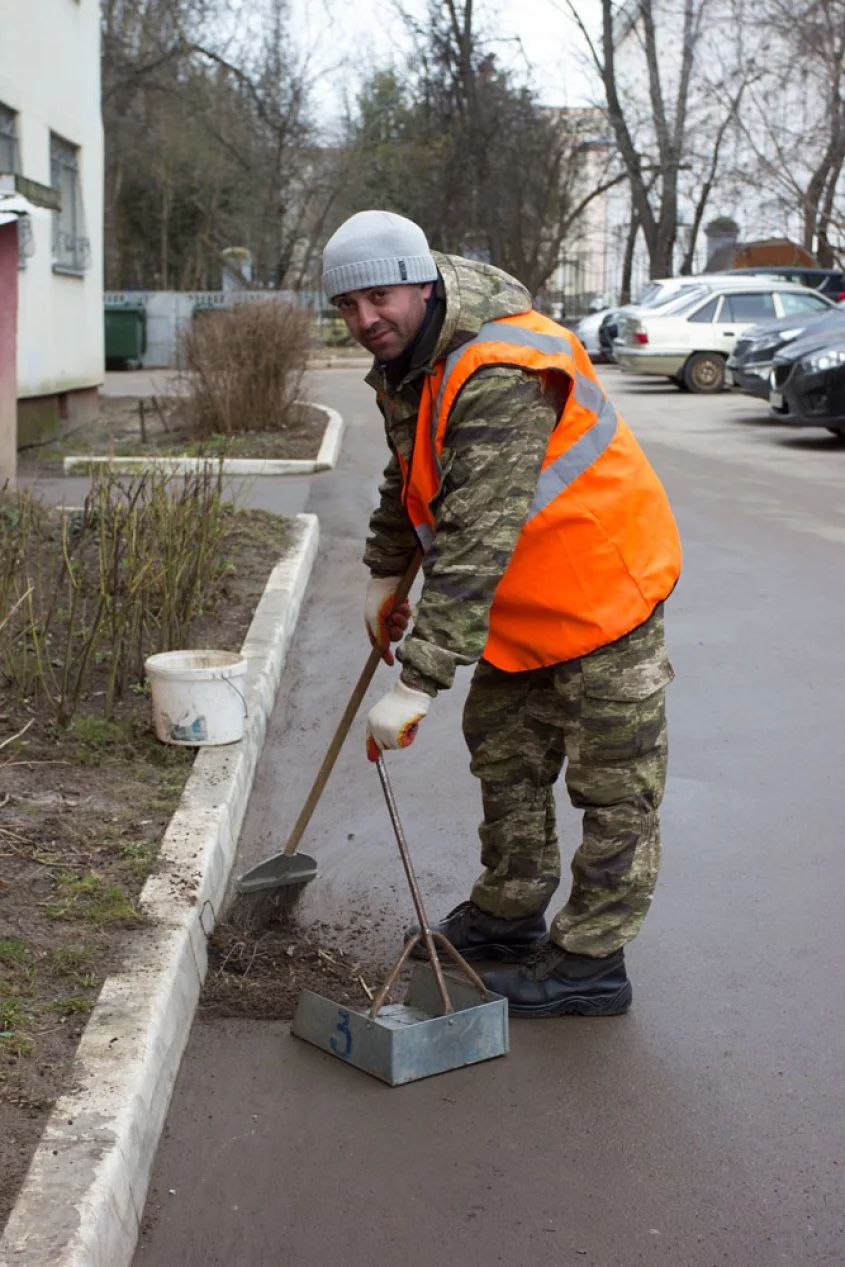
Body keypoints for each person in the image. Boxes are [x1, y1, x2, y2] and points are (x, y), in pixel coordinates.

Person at [321, 210, 682, 1018]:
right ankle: (510, 912)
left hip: (600, 591)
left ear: (419, 281)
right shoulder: (413, 357)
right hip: (522, 604)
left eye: (377, 297)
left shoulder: (500, 368)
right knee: (506, 757)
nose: (363, 320)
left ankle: (589, 962)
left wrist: (417, 680)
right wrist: (383, 569)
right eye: (346, 307)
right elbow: (409, 468)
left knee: (612, 787)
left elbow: (476, 535)